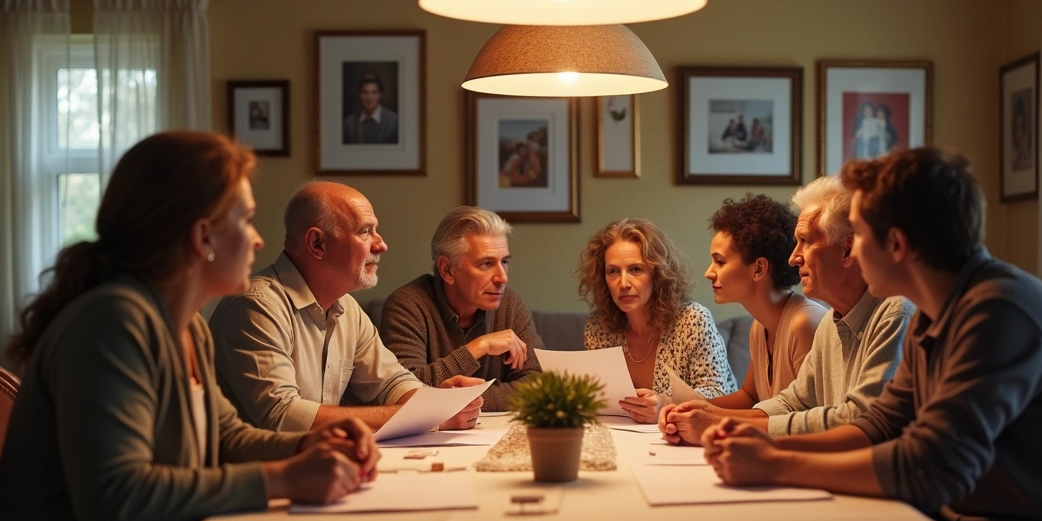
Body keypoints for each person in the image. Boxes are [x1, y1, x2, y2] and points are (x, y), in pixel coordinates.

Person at [703, 149, 1042, 521]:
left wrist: (777, 463)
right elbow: (879, 426)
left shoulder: (999, 311)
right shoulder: (934, 315)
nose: (851, 250)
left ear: (896, 244)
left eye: (857, 235)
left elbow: (930, 466)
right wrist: (768, 446)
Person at [0, 132, 377, 521]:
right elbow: (117, 499)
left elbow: (224, 438)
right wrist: (283, 478)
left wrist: (310, 442)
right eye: (245, 219)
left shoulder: (188, 328)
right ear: (202, 236)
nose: (260, 238)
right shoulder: (113, 323)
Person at [210, 181, 482, 433]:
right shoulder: (256, 306)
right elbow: (283, 415)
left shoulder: (346, 307)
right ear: (317, 243)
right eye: (365, 231)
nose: (382, 244)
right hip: (256, 479)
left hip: (314, 470)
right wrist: (422, 416)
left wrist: (437, 404)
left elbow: (393, 382)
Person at [661, 177, 913, 444]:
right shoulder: (831, 321)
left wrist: (720, 422)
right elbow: (794, 401)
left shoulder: (895, 313)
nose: (794, 257)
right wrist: (712, 414)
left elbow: (860, 420)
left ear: (848, 248)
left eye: (805, 241)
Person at [380, 206, 543, 412]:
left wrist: (460, 401)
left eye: (505, 262)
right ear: (447, 270)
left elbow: (538, 385)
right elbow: (403, 392)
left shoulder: (510, 305)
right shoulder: (407, 306)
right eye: (486, 264)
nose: (502, 277)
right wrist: (478, 347)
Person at [578, 218, 736, 424]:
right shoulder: (599, 328)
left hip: (697, 439)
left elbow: (718, 394)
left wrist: (665, 402)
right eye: (613, 271)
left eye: (635, 269)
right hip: (624, 439)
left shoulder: (693, 320)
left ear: (657, 273)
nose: (623, 283)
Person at [702, 193, 825, 403]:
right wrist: (683, 408)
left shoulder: (804, 324)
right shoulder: (759, 328)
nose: (709, 272)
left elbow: (810, 415)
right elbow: (750, 397)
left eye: (720, 262)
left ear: (758, 268)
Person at [342, 73, 398, 144]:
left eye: (374, 92)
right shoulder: (349, 123)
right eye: (365, 92)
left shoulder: (394, 122)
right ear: (359, 95)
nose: (369, 98)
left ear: (380, 95)